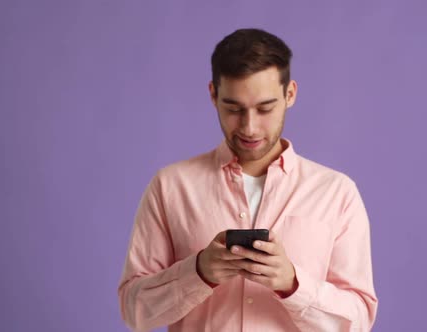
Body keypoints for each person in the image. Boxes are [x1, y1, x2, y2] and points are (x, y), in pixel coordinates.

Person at [118, 28, 378, 332]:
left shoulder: (337, 193)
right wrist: (198, 272)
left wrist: (293, 284)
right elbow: (134, 309)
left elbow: (359, 319)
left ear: (290, 94)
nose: (249, 127)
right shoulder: (170, 187)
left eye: (265, 108)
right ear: (213, 95)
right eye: (234, 109)